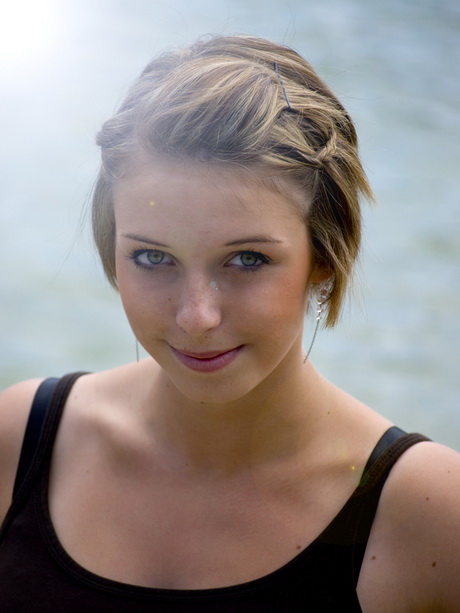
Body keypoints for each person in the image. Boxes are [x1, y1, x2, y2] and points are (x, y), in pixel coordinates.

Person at [0, 34, 459, 612]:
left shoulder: (428, 514)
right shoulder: (20, 440)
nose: (197, 316)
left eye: (247, 260)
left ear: (323, 256)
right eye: (152, 257)